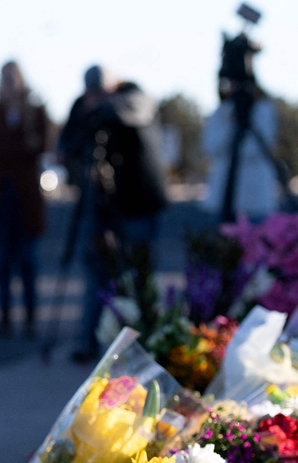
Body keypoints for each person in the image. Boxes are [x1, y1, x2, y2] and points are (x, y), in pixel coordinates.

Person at [62, 68, 168, 363]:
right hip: (98, 202)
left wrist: (100, 109)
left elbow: (134, 111)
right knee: (97, 269)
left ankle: (146, 341)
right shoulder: (83, 108)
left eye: (101, 91)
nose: (96, 98)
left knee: (138, 273)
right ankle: (89, 339)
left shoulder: (134, 95)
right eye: (90, 93)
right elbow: (66, 143)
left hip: (137, 199)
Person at [0, 61, 49, 339]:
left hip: (26, 200)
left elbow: (39, 148)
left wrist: (14, 147)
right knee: (2, 262)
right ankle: (5, 318)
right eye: (5, 79)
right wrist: (18, 149)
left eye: (13, 78)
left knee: (29, 261)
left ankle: (31, 318)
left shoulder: (35, 114)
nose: (10, 84)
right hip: (0, 199)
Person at [202, 85, 279, 222]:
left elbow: (262, 147)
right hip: (224, 197)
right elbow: (211, 147)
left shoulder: (263, 110)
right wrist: (229, 123)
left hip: (257, 200)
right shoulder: (221, 113)